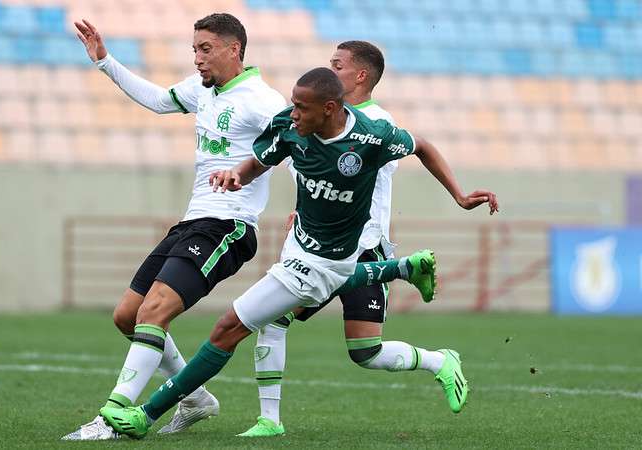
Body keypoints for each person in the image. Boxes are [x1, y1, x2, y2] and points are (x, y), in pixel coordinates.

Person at [99, 67, 473, 440]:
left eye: (300, 108)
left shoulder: (371, 137)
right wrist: (237, 175)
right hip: (301, 243)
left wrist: (458, 194)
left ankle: (146, 415)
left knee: (228, 329)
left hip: (328, 260)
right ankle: (404, 269)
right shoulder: (291, 127)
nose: (292, 113)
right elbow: (261, 160)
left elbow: (421, 145)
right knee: (293, 330)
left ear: (329, 108)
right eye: (292, 106)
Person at [239, 41, 499, 437]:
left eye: (337, 65)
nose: (330, 71)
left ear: (360, 75)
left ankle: (439, 361)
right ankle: (269, 421)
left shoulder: (374, 124)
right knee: (273, 318)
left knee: (366, 353)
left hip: (365, 249)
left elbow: (419, 147)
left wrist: (460, 196)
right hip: (315, 248)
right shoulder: (312, 119)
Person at [62, 13, 287, 440]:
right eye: (194, 50)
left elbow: (297, 149)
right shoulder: (204, 91)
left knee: (154, 311)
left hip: (229, 226)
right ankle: (197, 397)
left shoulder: (262, 100)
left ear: (233, 49)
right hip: (192, 221)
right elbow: (158, 99)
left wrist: (305, 211)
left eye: (205, 49)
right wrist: (105, 61)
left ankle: (112, 417)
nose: (198, 59)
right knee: (128, 316)